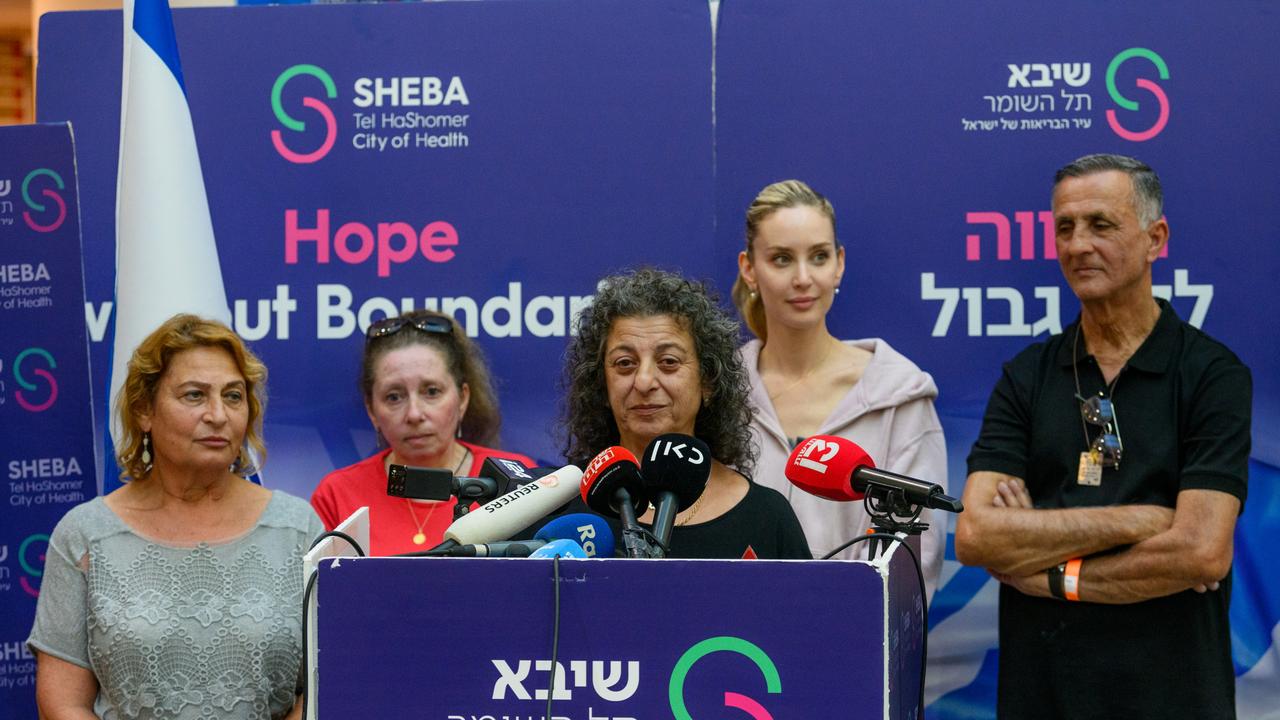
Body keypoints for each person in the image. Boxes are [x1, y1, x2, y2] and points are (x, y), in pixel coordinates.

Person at [954, 154, 1251, 718]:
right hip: (1043, 695)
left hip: (1175, 697)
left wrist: (1049, 575)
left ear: (1155, 238)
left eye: (1100, 224)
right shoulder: (1027, 375)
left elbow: (1200, 551)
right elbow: (976, 536)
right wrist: (1143, 520)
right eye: (1065, 227)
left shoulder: (1213, 375)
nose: (1077, 244)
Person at [27, 314, 322, 719]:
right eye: (194, 395)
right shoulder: (84, 535)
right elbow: (62, 703)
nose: (218, 414)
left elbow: (328, 684)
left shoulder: (299, 529)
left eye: (233, 396)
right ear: (145, 410)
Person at [732, 179, 947, 594]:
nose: (802, 278)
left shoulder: (898, 394)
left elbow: (919, 553)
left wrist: (840, 621)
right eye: (781, 259)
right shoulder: (719, 392)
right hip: (736, 638)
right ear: (749, 268)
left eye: (818, 257)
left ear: (839, 264)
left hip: (856, 642)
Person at [562, 267, 811, 559]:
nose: (643, 381)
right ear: (601, 384)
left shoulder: (768, 516)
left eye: (668, 362)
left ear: (707, 381)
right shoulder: (567, 516)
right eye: (625, 363)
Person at [310, 309, 534, 555]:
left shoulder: (515, 478)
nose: (414, 414)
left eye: (431, 392)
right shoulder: (338, 494)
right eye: (394, 397)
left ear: (462, 398)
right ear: (372, 411)